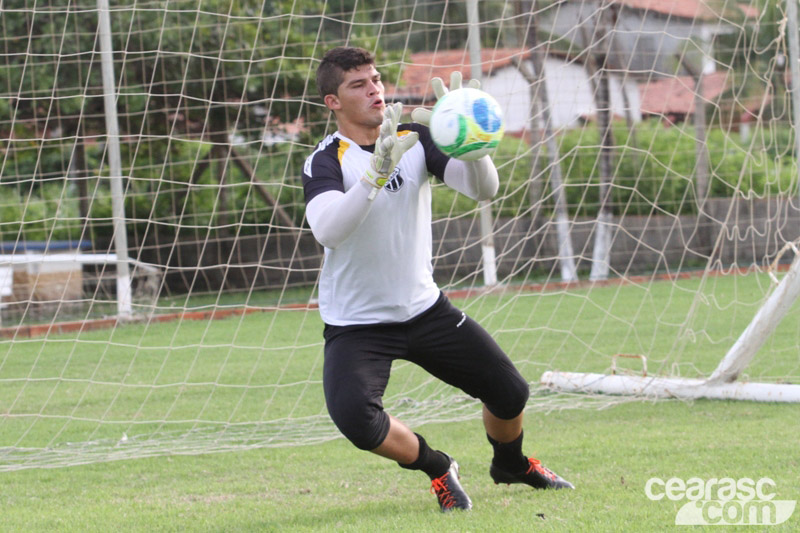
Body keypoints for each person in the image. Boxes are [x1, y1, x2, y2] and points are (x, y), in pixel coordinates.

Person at [302, 46, 574, 512]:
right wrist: (374, 174)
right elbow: (329, 230)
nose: (375, 90)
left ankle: (510, 464)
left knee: (511, 393)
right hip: (358, 323)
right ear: (333, 102)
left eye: (377, 79)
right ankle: (438, 467)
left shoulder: (414, 136)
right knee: (355, 420)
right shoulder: (326, 159)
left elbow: (483, 189)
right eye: (358, 84)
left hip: (423, 308)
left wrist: (474, 143)